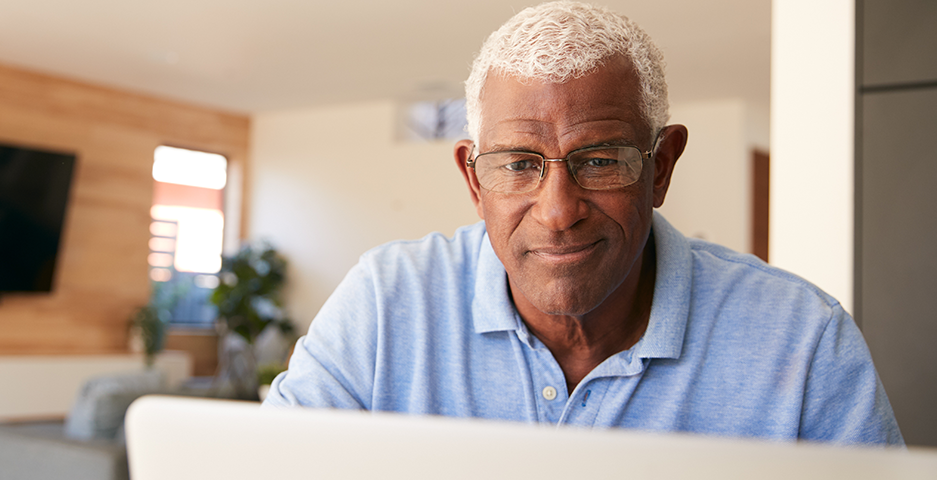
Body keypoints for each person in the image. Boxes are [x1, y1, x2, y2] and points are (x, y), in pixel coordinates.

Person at [262, 1, 902, 446]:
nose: (559, 211)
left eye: (599, 161)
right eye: (518, 164)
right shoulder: (384, 304)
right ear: (473, 180)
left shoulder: (803, 338)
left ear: (661, 167)